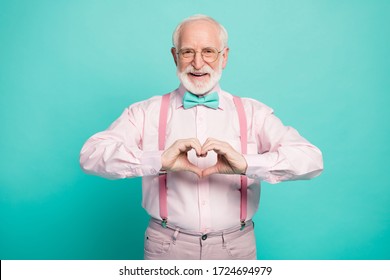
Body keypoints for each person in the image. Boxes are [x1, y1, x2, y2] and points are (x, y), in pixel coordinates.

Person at [79, 14, 323, 260]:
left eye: (208, 51)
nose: (198, 63)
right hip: (165, 246)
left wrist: (248, 164)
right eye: (187, 52)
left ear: (224, 57)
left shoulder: (253, 113)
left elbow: (311, 160)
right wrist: (159, 161)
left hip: (236, 248)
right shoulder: (145, 112)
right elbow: (91, 155)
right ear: (175, 57)